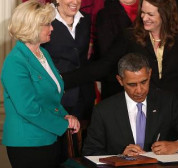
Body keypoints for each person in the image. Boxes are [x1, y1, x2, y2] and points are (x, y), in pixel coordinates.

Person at [62, 0, 178, 124]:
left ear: (165, 15)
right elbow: (103, 66)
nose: (144, 18)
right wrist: (61, 80)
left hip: (174, 115)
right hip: (143, 115)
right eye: (142, 13)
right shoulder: (130, 36)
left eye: (150, 14)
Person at [0, 1, 80, 168]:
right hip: (27, 144)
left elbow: (52, 97)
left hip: (48, 139)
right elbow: (28, 108)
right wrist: (62, 124)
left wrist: (66, 116)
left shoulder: (42, 53)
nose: (52, 28)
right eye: (47, 24)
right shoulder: (15, 62)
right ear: (32, 26)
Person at [83, 53, 178, 156]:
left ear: (149, 74)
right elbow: (90, 152)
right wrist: (120, 156)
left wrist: (177, 145)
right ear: (120, 80)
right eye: (132, 84)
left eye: (144, 82)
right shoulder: (104, 110)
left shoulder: (167, 102)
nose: (139, 90)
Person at [42, 0, 95, 120]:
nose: (75, 2)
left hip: (84, 94)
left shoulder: (85, 19)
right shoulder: (43, 19)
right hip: (57, 97)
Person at [94, 0, 139, 99]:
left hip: (148, 83)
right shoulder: (105, 14)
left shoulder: (150, 8)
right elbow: (107, 57)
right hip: (117, 85)